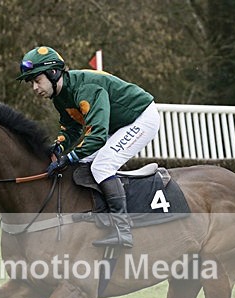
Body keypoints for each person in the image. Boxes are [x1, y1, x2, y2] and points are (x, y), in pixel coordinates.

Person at [16, 46, 160, 248]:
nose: (34, 88)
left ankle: (123, 230)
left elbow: (98, 135)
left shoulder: (86, 89)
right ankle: (100, 216)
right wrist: (58, 148)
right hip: (117, 125)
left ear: (53, 73)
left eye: (37, 80)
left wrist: (70, 156)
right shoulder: (60, 96)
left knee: (102, 166)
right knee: (82, 164)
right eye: (31, 82)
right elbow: (72, 129)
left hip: (141, 118)